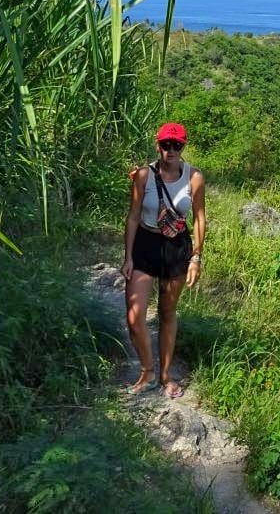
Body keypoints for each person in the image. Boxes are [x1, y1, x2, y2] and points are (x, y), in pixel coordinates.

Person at [121, 122, 206, 398]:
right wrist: (128, 257)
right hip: (146, 243)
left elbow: (199, 218)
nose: (171, 150)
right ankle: (147, 371)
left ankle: (167, 375)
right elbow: (133, 216)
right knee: (134, 318)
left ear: (184, 147)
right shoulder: (144, 175)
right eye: (166, 145)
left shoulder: (194, 178)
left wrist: (196, 257)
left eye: (177, 145)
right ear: (158, 145)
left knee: (168, 313)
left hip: (176, 247)